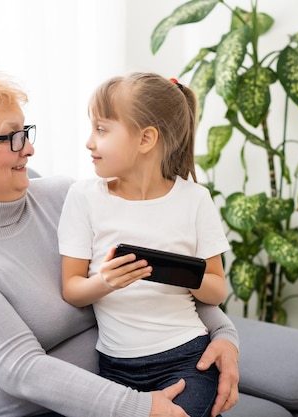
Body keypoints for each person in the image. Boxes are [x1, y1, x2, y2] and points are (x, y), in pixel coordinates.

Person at [0, 72, 239, 417]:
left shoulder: (63, 197)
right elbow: (23, 370)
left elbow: (158, 273)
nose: (29, 147)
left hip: (127, 388)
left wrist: (223, 336)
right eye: (11, 137)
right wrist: (140, 408)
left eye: (25, 132)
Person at [58, 72, 231, 417]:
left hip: (185, 358)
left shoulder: (195, 200)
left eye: (102, 130)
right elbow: (72, 289)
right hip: (115, 370)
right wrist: (105, 281)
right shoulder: (83, 197)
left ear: (146, 139)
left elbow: (216, 290)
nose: (90, 142)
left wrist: (181, 272)